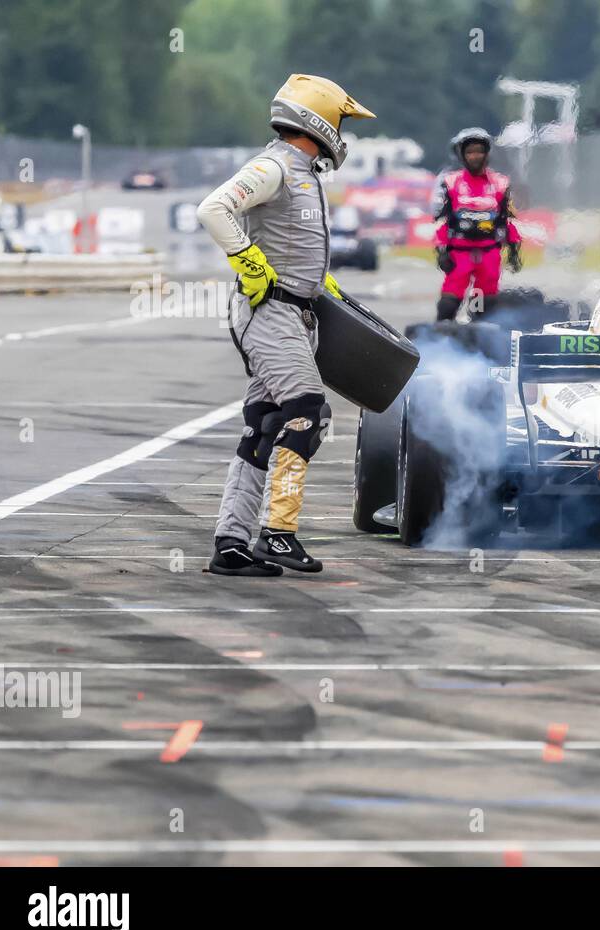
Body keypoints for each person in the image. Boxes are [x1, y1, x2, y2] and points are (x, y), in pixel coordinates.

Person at [197, 73, 375, 576]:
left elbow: (291, 244)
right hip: (269, 311)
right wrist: (248, 260)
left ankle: (231, 545)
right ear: (316, 117)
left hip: (291, 309)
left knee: (262, 426)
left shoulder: (301, 170)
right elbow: (213, 209)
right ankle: (278, 535)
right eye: (340, 119)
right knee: (307, 412)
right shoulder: (275, 165)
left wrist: (321, 286)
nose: (342, 130)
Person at [433, 128, 521, 322]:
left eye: (479, 151)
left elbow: (507, 219)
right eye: (470, 152)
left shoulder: (500, 183)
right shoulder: (450, 183)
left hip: (488, 253)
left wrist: (514, 249)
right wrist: (441, 251)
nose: (475, 156)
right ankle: (442, 334)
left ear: (487, 154)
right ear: (462, 155)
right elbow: (442, 220)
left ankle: (477, 328)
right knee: (449, 302)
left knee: (483, 302)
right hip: (459, 253)